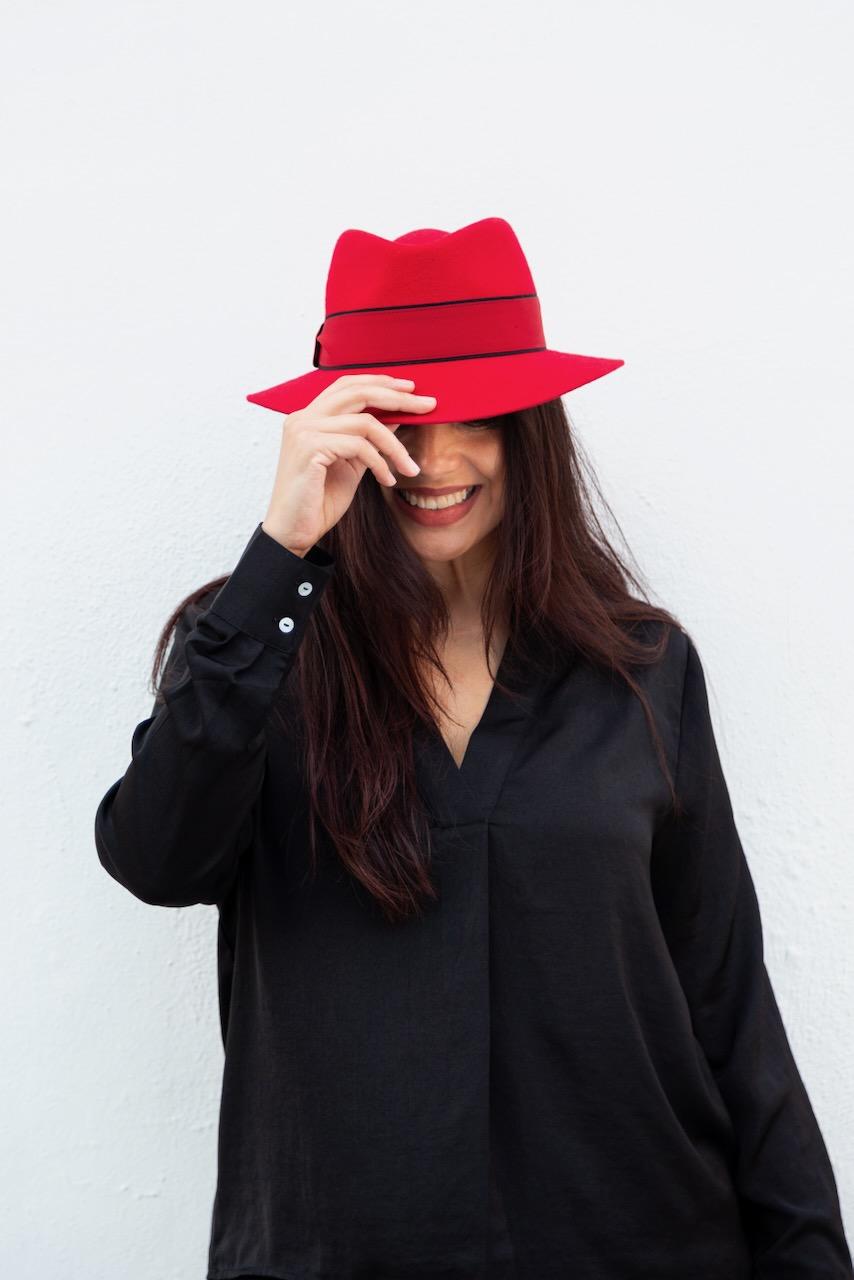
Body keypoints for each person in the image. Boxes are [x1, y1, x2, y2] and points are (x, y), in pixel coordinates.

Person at [94, 218, 853, 1279]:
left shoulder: (641, 669)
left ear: (530, 430)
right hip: (341, 1249)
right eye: (398, 418)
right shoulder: (254, 649)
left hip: (638, 1239)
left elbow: (724, 994)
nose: (435, 460)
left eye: (478, 417)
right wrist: (280, 555)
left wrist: (808, 1253)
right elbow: (155, 857)